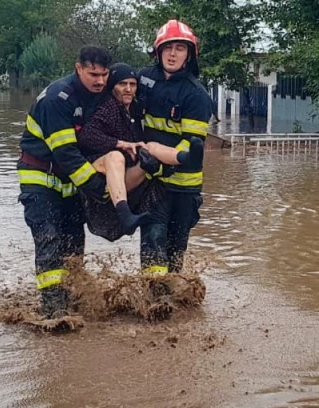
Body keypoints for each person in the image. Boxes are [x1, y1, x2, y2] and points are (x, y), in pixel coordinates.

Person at [18, 45, 112, 319]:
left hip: (69, 182)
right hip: (40, 178)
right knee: (49, 239)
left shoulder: (99, 96)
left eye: (104, 75)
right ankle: (54, 310)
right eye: (93, 74)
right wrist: (97, 188)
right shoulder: (57, 99)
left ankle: (74, 298)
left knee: (73, 242)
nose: (100, 81)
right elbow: (67, 154)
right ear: (78, 68)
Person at [77, 63, 204, 241]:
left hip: (127, 176)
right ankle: (125, 214)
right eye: (122, 84)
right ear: (112, 86)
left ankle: (185, 157)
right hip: (102, 175)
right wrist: (118, 143)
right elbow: (86, 137)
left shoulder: (136, 110)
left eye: (133, 84)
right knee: (116, 157)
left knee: (150, 147)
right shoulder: (108, 108)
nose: (128, 89)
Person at [136, 20, 212, 276]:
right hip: (152, 181)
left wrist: (163, 161)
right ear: (157, 51)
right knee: (152, 242)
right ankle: (154, 301)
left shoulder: (196, 95)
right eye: (168, 47)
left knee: (174, 251)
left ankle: (174, 297)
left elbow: (191, 143)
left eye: (180, 48)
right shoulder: (143, 79)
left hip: (184, 187)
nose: (172, 54)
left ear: (189, 55)